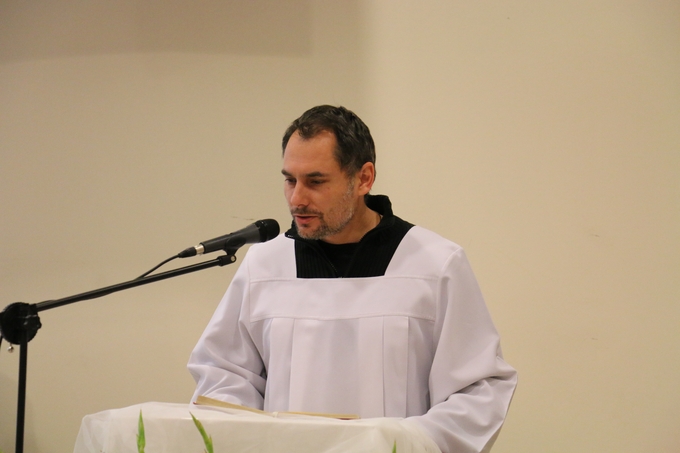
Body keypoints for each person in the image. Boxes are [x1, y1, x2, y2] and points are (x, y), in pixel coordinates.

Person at [188, 105, 517, 453]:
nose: (297, 199)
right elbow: (222, 375)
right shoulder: (264, 265)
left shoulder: (434, 265)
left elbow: (477, 391)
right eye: (290, 180)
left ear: (363, 178)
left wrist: (400, 443)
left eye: (315, 181)